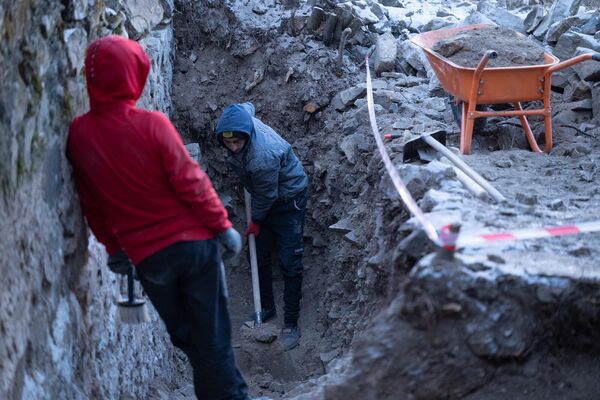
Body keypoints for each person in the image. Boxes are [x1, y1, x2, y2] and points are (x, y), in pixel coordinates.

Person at [67, 35, 249, 400]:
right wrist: (222, 227)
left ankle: (227, 392)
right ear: (133, 76)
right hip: (194, 248)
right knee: (211, 336)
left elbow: (92, 204)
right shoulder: (152, 124)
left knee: (188, 337)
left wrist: (115, 249)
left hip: (149, 260)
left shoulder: (79, 136)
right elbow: (191, 181)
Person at [215, 103, 308, 351]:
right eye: (229, 143)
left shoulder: (262, 157)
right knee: (257, 252)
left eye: (237, 143)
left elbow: (268, 195)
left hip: (289, 199)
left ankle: (291, 322)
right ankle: (265, 307)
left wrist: (256, 221)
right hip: (265, 196)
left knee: (290, 261)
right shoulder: (242, 120)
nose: (233, 148)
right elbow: (247, 106)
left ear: (247, 136)